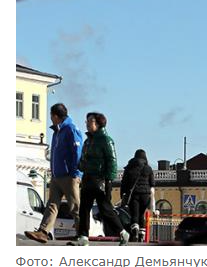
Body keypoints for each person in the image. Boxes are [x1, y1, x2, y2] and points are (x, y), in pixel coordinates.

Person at [25, 103, 83, 243]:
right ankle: (43, 231)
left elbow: (77, 151)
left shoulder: (70, 129)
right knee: (52, 204)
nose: (50, 119)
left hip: (69, 176)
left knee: (75, 206)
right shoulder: (57, 131)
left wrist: (75, 172)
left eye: (51, 116)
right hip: (57, 176)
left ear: (56, 116)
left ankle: (82, 233)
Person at [76, 112, 129, 246]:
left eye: (90, 121)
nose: (87, 124)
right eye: (87, 121)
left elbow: (112, 160)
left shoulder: (106, 140)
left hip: (100, 180)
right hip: (87, 178)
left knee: (105, 209)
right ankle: (83, 236)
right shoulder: (88, 141)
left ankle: (122, 232)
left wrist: (108, 180)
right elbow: (83, 158)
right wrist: (81, 165)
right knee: (84, 209)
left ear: (98, 124)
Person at [120, 149, 157, 242]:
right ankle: (141, 235)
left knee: (134, 214)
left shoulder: (129, 167)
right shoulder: (148, 168)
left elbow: (124, 183)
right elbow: (152, 183)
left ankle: (135, 229)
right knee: (141, 214)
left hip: (134, 195)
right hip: (146, 195)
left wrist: (122, 195)